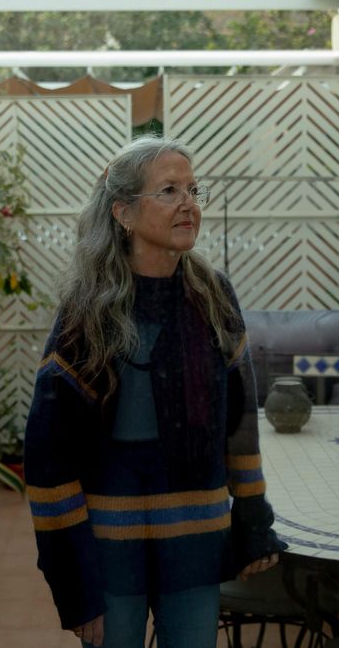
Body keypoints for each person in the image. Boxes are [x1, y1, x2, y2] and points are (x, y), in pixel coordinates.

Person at [24, 136, 287, 648]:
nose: (189, 204)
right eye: (169, 190)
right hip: (108, 547)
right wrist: (73, 581)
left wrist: (253, 517)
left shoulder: (213, 294)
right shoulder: (87, 313)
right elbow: (48, 455)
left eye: (193, 189)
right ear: (123, 211)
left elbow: (240, 424)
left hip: (196, 538)